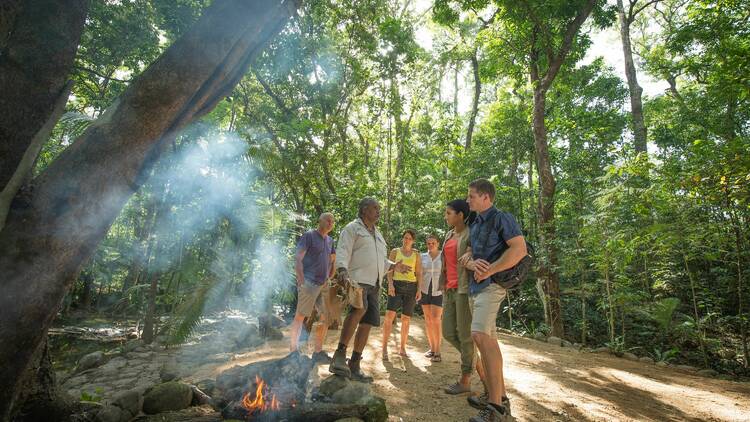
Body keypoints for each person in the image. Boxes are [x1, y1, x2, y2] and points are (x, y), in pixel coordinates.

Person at [463, 179, 527, 422]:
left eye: (472, 196)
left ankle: (494, 409)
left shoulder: (503, 218)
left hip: (492, 286)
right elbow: (469, 253)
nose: (468, 200)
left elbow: (519, 249)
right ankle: (501, 398)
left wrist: (490, 270)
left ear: (486, 197)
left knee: (479, 335)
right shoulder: (475, 221)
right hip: (475, 287)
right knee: (486, 340)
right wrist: (469, 261)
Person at [330, 198, 410, 382]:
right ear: (364, 210)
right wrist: (342, 269)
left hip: (375, 283)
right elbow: (343, 250)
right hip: (358, 280)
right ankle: (339, 355)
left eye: (379, 208)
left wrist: (394, 266)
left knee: (367, 322)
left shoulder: (378, 234)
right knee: (359, 309)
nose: (378, 211)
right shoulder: (353, 228)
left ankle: (355, 363)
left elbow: (380, 261)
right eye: (375, 208)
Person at [440, 200, 486, 394]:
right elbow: (445, 261)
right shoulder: (449, 234)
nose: (446, 216)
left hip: (463, 289)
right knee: (448, 333)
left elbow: (472, 257)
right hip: (449, 290)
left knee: (466, 337)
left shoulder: (470, 234)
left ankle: (465, 380)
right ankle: (477, 364)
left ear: (460, 215)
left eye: (449, 213)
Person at [289, 213, 336, 364]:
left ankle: (318, 351)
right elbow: (298, 258)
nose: (330, 222)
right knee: (300, 316)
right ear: (319, 221)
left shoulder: (330, 241)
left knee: (326, 317)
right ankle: (293, 351)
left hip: (323, 284)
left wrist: (330, 276)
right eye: (327, 220)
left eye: (332, 221)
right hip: (309, 283)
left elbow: (332, 261)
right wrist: (301, 279)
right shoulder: (309, 236)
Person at [382, 229, 423, 359]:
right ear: (402, 238)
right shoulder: (395, 251)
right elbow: (389, 270)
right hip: (396, 285)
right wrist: (390, 284)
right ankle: (384, 349)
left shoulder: (416, 254)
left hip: (411, 287)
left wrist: (419, 289)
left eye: (409, 238)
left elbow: (419, 273)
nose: (407, 240)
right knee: (389, 316)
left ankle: (402, 348)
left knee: (406, 319)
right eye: (405, 237)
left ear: (413, 241)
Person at [419, 234, 443, 362]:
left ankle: (438, 351)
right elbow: (419, 273)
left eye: (433, 243)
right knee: (428, 319)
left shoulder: (443, 256)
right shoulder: (422, 256)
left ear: (438, 244)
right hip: (425, 289)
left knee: (436, 319)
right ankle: (432, 348)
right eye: (428, 243)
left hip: (438, 290)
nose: (431, 245)